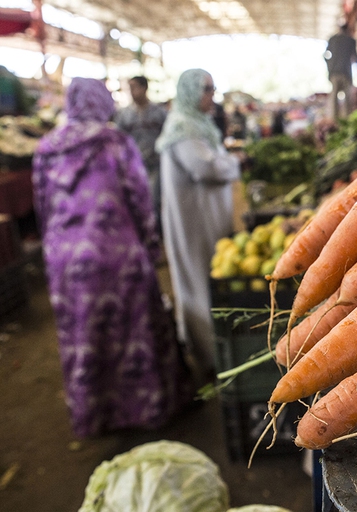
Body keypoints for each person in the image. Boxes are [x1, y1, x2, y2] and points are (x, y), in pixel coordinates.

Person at [32, 77, 193, 438]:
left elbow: (42, 208)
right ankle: (148, 407)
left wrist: (54, 253)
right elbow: (139, 198)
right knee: (135, 329)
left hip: (64, 258)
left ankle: (97, 415)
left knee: (84, 334)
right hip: (116, 251)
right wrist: (152, 248)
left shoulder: (45, 148)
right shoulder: (114, 142)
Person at [155, 69, 241, 379]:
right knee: (199, 282)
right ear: (190, 91)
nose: (212, 96)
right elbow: (204, 167)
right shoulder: (182, 127)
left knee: (212, 277)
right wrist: (236, 163)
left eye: (213, 88)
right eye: (206, 89)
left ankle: (216, 352)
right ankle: (209, 357)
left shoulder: (197, 123)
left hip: (206, 217)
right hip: (193, 222)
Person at [114, 76, 167, 235]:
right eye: (129, 88)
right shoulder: (124, 115)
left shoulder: (159, 113)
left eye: (134, 87)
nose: (131, 91)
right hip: (133, 167)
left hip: (154, 164)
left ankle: (154, 235)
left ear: (144, 88)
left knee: (153, 200)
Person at [324, 23, 357, 120]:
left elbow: (326, 55)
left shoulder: (333, 39)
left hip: (334, 72)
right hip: (346, 73)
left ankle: (334, 120)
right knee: (347, 98)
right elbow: (355, 57)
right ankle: (347, 120)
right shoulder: (351, 40)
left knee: (334, 97)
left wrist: (330, 66)